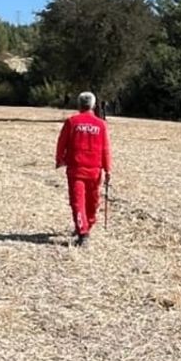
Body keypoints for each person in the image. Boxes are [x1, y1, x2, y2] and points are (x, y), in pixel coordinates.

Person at [55, 91, 112, 248]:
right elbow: (105, 149)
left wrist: (59, 159)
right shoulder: (101, 125)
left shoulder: (72, 122)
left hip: (76, 170)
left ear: (79, 105)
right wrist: (108, 169)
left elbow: (62, 142)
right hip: (95, 171)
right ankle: (86, 226)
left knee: (78, 202)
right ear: (93, 105)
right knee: (92, 202)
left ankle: (83, 231)